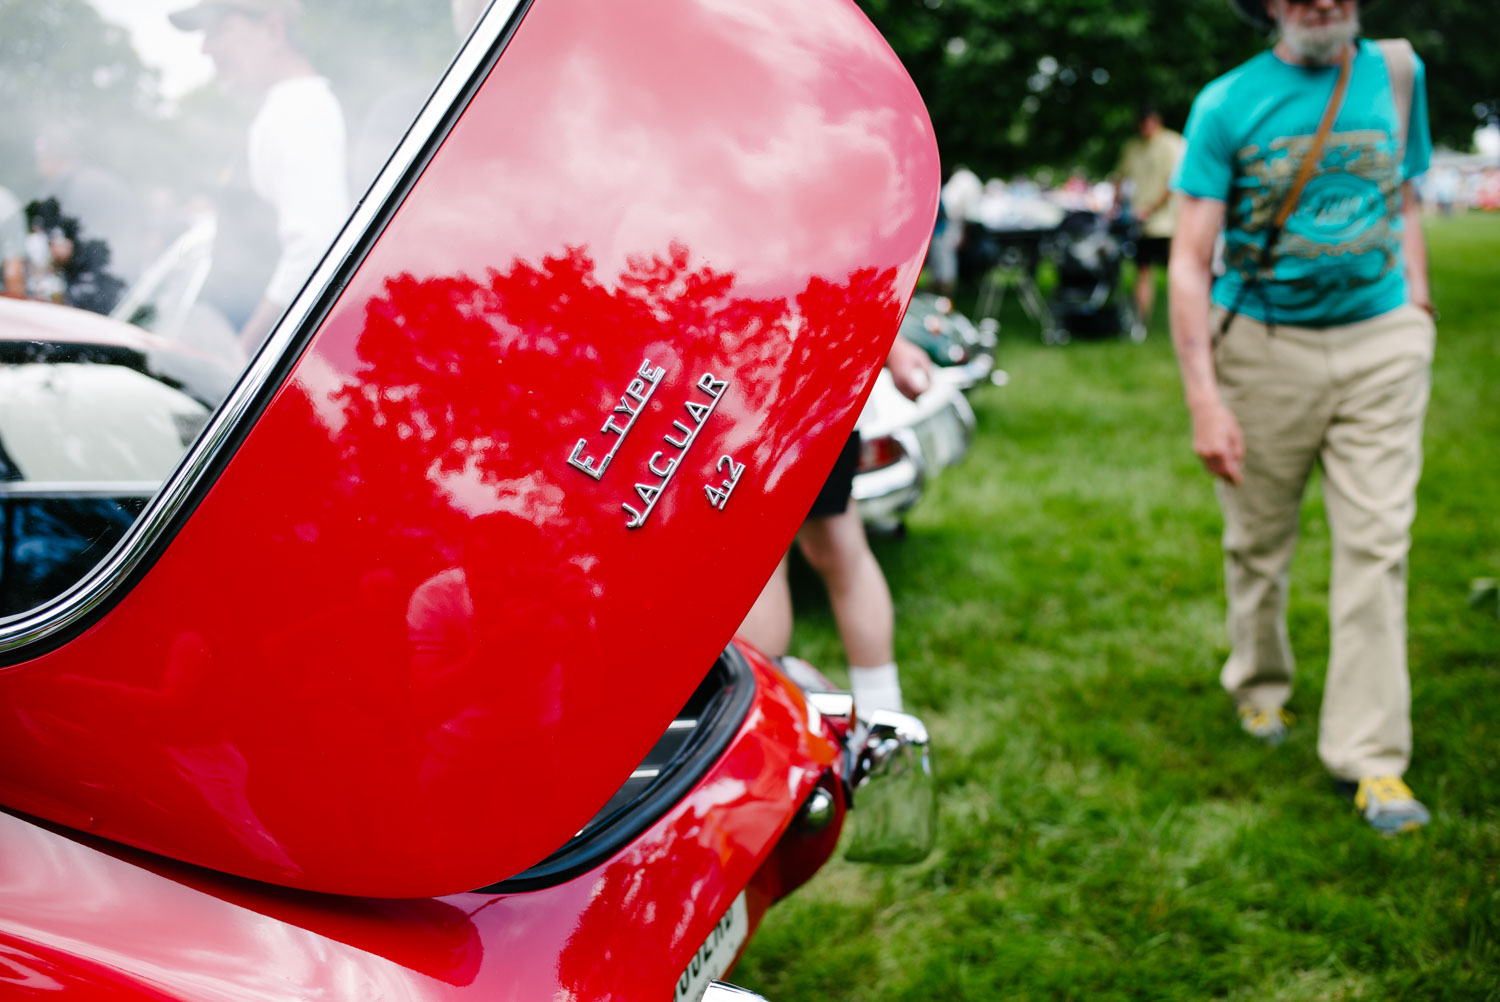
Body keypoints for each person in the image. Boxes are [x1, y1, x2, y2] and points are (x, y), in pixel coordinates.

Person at [1168, 0, 1435, 833]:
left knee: (1377, 547)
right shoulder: (1226, 103)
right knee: (1258, 539)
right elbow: (1189, 258)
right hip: (1264, 346)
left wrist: (1417, 304)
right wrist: (1205, 399)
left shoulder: (1399, 73)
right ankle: (1259, 682)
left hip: (1382, 343)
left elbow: (1406, 198)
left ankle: (1372, 756)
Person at [737, 336, 936, 716]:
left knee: (760, 560)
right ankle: (881, 718)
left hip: (777, 373)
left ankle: (767, 722)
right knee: (829, 546)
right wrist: (894, 349)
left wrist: (893, 347)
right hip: (811, 368)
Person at [170, 0, 350, 354]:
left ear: (272, 30)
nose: (207, 48)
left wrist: (245, 354)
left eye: (219, 30)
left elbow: (315, 249)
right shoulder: (289, 107)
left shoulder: (297, 110)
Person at [1115, 107, 1185, 335]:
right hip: (1141, 225)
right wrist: (1117, 206)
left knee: (1179, 273)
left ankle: (1183, 322)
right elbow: (1119, 178)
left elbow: (1174, 181)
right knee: (1143, 272)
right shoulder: (1133, 147)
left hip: (1169, 224)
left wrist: (1151, 208)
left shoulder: (1172, 143)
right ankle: (1140, 324)